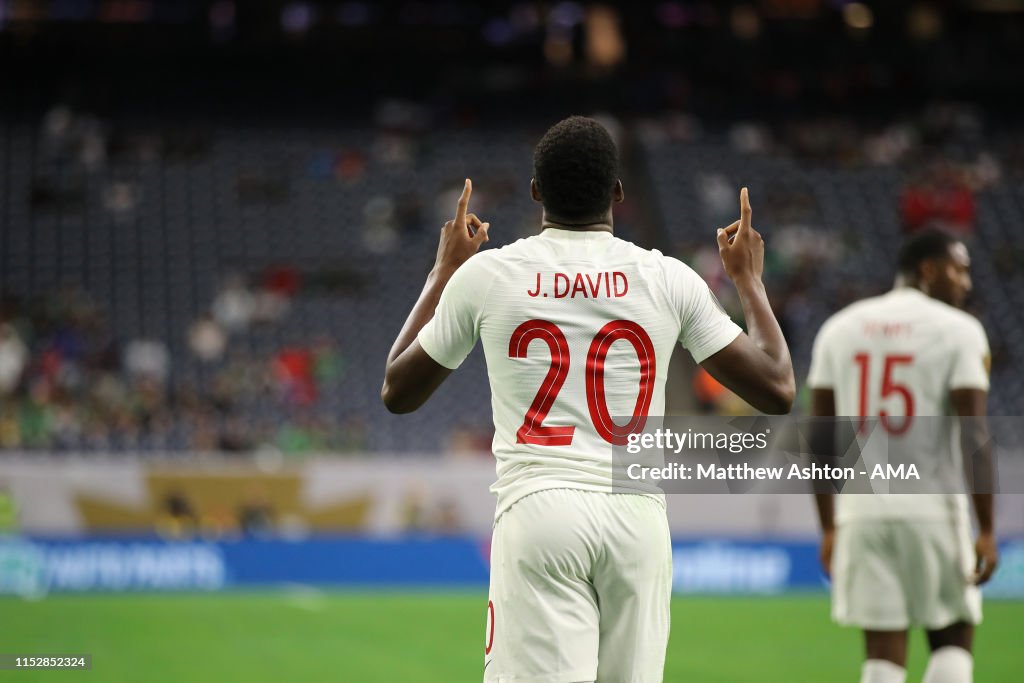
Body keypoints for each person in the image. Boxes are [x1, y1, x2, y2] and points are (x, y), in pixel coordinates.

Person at [382, 116, 794, 682]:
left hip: (540, 507)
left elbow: (397, 392)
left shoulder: (490, 275)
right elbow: (777, 388)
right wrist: (748, 279)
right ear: (618, 194)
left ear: (534, 192)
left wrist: (441, 272)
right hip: (637, 517)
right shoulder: (668, 278)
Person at [809, 230, 998, 683]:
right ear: (928, 269)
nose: (966, 282)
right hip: (932, 507)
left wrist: (830, 525)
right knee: (953, 640)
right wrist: (987, 527)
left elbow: (819, 440)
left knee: (881, 657)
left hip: (861, 514)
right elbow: (974, 433)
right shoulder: (959, 330)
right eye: (959, 269)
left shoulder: (839, 328)